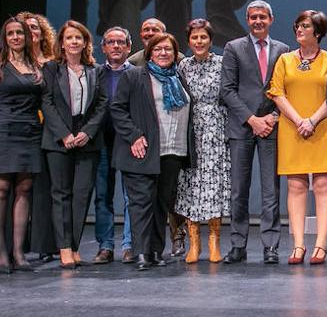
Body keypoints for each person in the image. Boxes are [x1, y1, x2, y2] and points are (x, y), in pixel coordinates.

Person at [111, 33, 194, 269]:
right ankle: (140, 253)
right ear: (149, 53)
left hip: (172, 151)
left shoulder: (178, 78)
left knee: (161, 203)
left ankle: (156, 251)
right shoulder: (135, 75)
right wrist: (134, 136)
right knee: (141, 203)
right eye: (158, 49)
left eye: (168, 49)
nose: (163, 53)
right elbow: (118, 109)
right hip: (142, 151)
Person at [220, 0, 289, 264]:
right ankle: (238, 245)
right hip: (242, 126)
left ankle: (270, 246)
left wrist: (271, 117)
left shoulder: (283, 50)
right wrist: (252, 119)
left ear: (271, 19)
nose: (257, 21)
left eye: (262, 17)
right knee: (239, 189)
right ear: (247, 20)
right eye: (252, 17)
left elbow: (285, 90)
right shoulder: (234, 48)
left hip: (271, 127)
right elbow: (227, 90)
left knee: (271, 189)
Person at [267, 10, 327, 265]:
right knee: (296, 186)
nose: (299, 30)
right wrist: (299, 121)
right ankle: (298, 245)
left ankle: (320, 245)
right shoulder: (285, 60)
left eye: (305, 26)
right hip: (291, 128)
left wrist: (312, 120)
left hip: (322, 126)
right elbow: (277, 93)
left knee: (322, 185)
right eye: (297, 25)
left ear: (317, 32)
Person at [0, 18, 45, 272]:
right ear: (4, 38)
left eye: (20, 33)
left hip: (30, 131)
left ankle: (18, 251)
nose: (16, 37)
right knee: (1, 190)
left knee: (24, 190)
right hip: (3, 130)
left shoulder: (36, 66)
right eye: (11, 34)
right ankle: (1, 253)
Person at [41, 20, 107, 268]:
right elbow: (46, 102)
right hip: (59, 141)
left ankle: (75, 246)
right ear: (62, 42)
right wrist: (64, 134)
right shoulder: (51, 68)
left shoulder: (95, 70)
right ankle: (64, 247)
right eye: (69, 37)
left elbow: (102, 104)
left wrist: (87, 132)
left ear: (86, 42)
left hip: (87, 140)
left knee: (81, 196)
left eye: (78, 37)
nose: (74, 42)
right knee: (61, 195)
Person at [174, 19, 231, 264]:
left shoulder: (222, 63)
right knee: (192, 183)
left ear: (210, 39)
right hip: (190, 128)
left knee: (214, 183)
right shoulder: (183, 66)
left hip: (216, 128)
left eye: (203, 37)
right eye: (194, 38)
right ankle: (194, 242)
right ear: (189, 41)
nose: (199, 42)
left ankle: (214, 241)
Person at [17, 11, 59, 262]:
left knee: (44, 189)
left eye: (35, 28)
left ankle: (45, 244)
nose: (30, 32)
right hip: (20, 130)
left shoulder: (53, 62)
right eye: (24, 28)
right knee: (19, 188)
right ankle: (16, 246)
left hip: (48, 130)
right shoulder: (9, 62)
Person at [91, 27, 135, 264]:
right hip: (102, 141)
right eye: (111, 42)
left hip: (128, 142)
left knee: (131, 197)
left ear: (129, 46)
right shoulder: (94, 74)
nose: (116, 46)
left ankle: (129, 246)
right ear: (103, 47)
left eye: (120, 42)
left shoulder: (138, 74)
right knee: (103, 196)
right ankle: (105, 246)